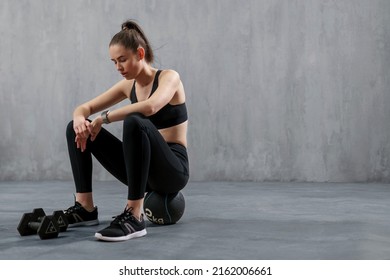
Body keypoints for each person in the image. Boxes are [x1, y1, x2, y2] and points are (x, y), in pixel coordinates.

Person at [64, 20, 189, 242]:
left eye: (122, 60)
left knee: (135, 122)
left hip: (172, 170)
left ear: (140, 53)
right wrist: (78, 118)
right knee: (76, 128)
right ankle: (85, 208)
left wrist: (105, 118)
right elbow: (85, 108)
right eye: (114, 62)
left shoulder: (170, 77)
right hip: (141, 171)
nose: (118, 67)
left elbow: (150, 107)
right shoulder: (127, 86)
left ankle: (134, 215)